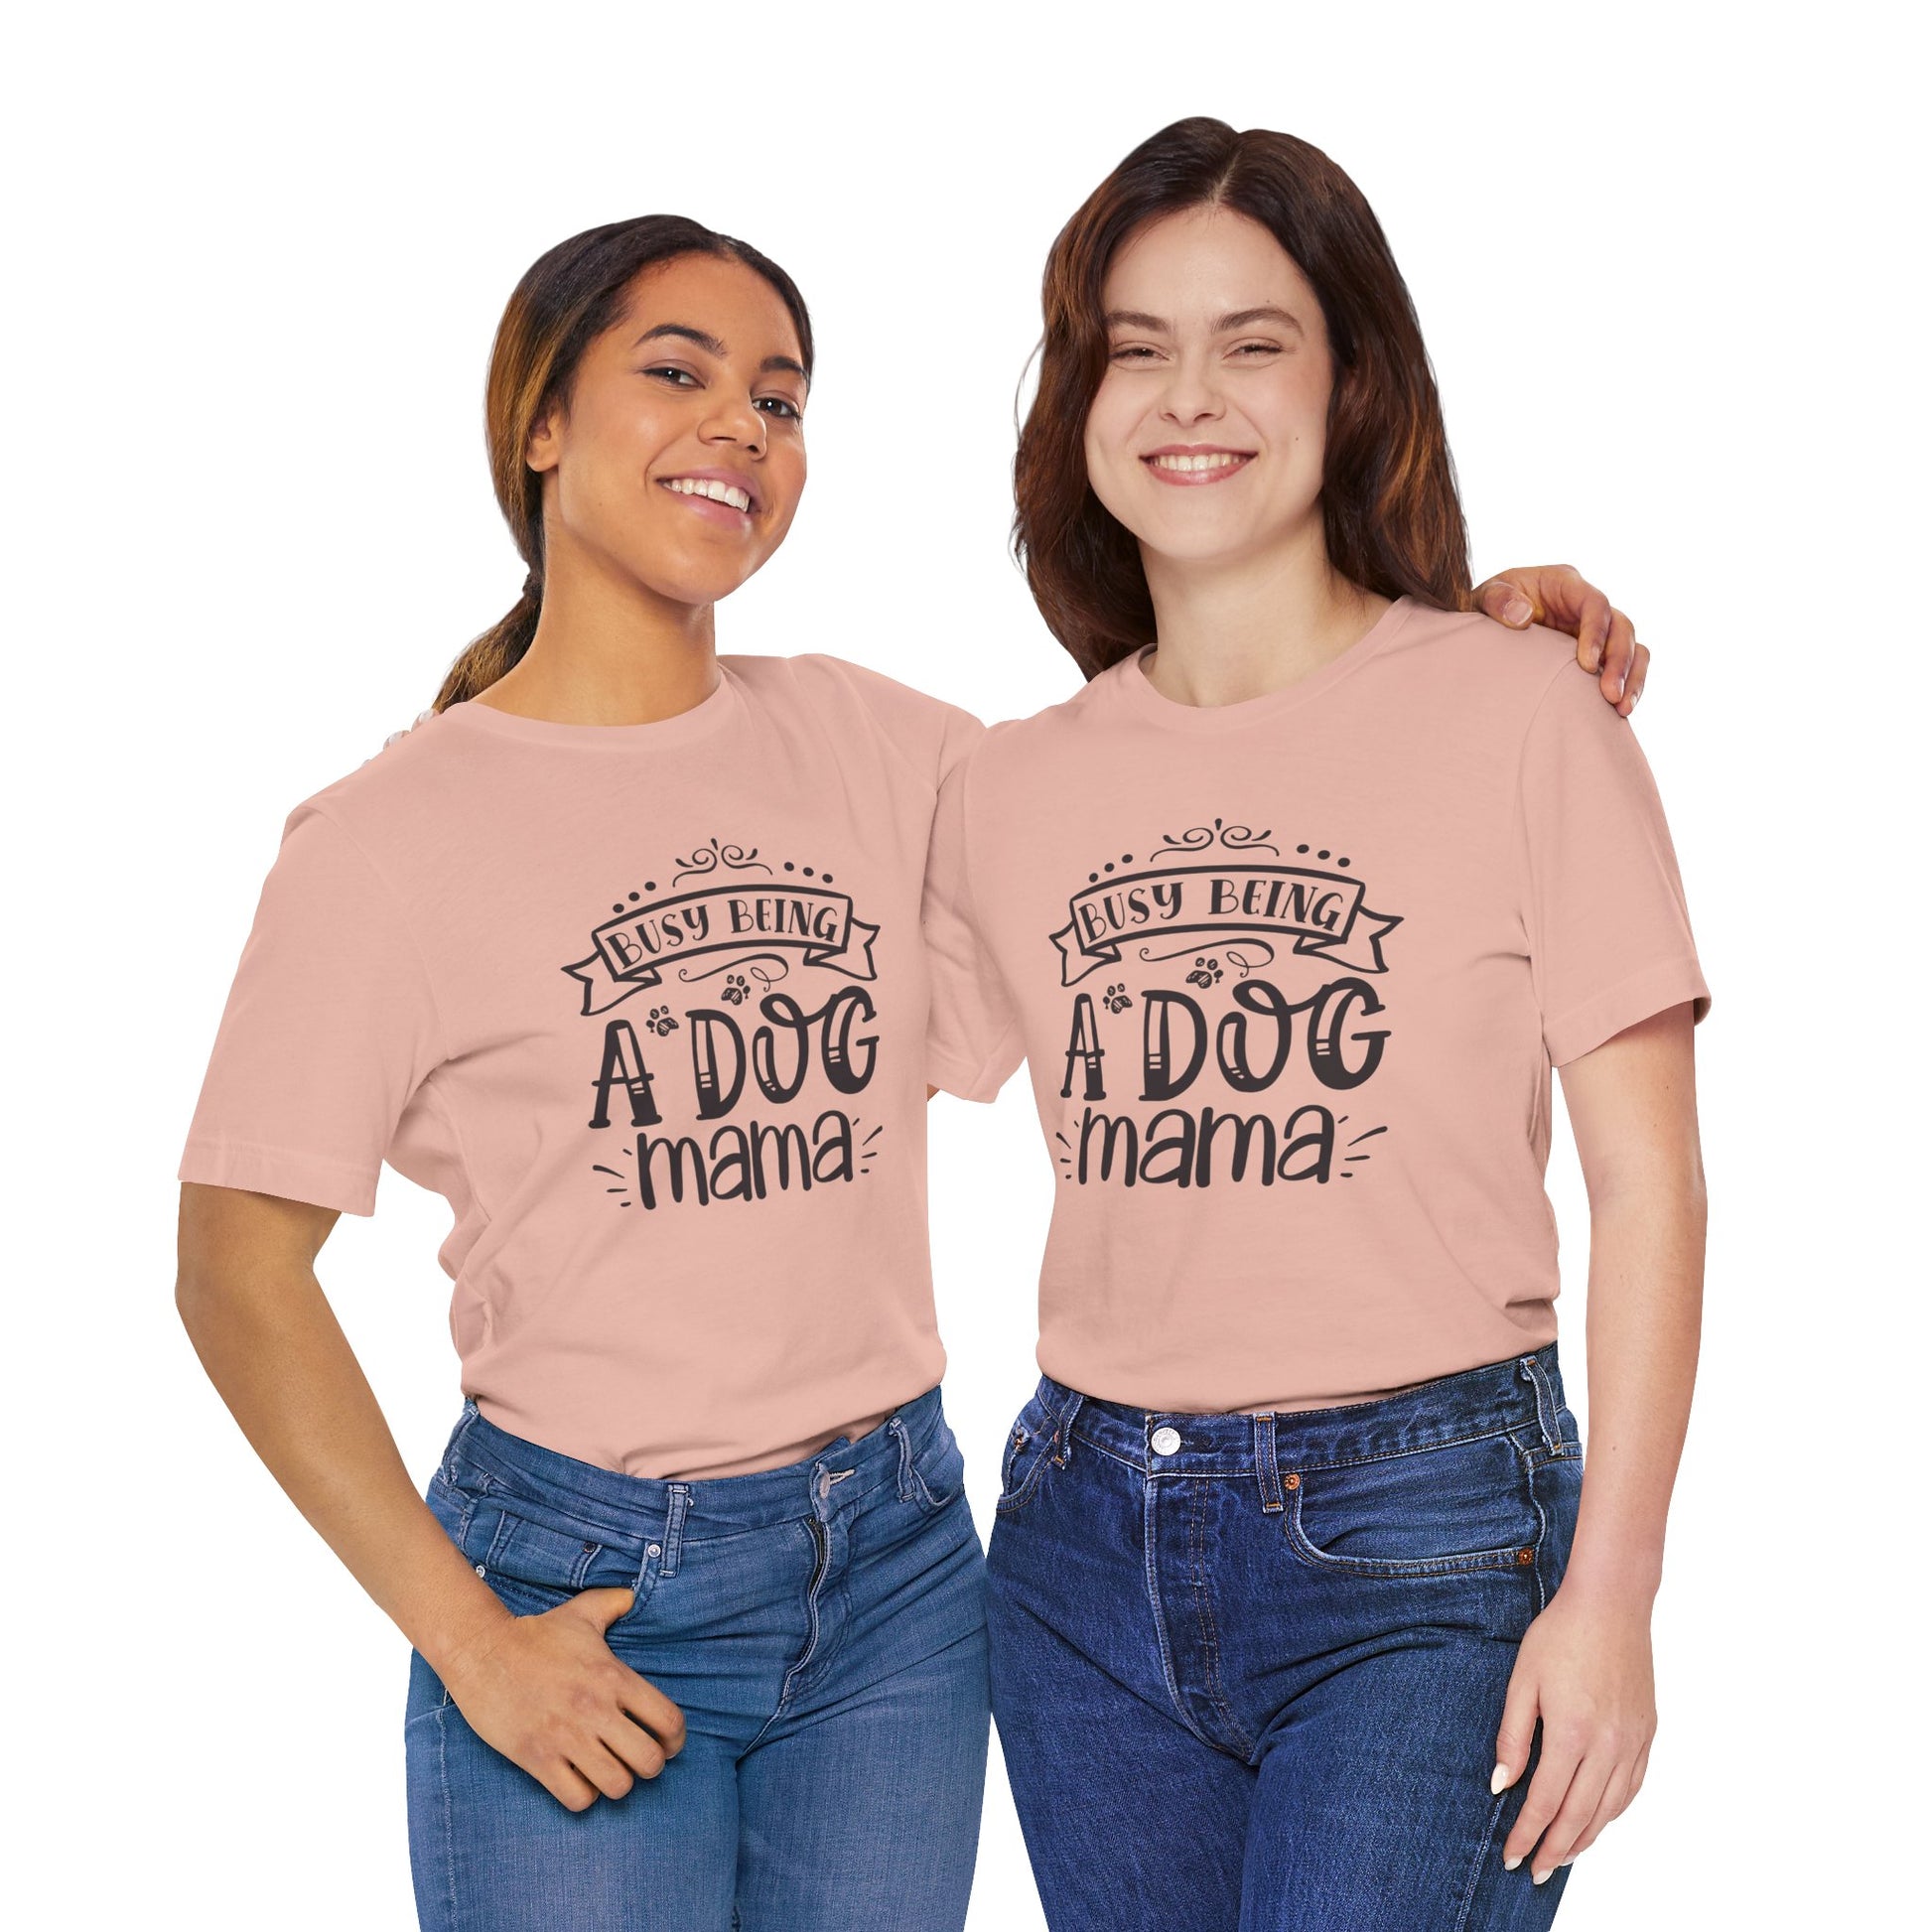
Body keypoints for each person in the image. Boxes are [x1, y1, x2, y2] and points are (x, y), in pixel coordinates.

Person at [176, 209, 1648, 1931]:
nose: (738, 425)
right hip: (579, 1584)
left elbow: (1199, 776)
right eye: (677, 372)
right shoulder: (383, 841)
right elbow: (234, 1268)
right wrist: (467, 1639)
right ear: (541, 421)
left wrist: (1459, 643)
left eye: (779, 398)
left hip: (893, 1583)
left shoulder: (892, 754)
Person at [923, 119, 1708, 1932]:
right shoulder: (1004, 786)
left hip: (1427, 1541)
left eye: (1252, 342)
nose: (1188, 395)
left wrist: (1612, 1595)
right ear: (1076, 399)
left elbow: (1650, 1185)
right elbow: (824, 1106)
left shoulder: (1526, 711)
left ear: (1352, 382)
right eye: (1134, 346)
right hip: (1077, 1554)